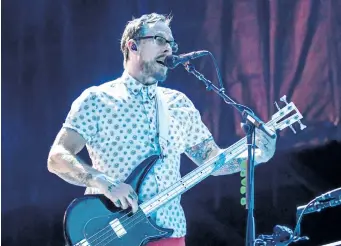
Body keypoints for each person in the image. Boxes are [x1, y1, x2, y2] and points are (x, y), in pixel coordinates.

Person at [47, 13, 277, 246]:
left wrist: (258, 156)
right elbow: (57, 157)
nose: (169, 49)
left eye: (172, 43)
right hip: (112, 234)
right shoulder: (97, 100)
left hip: (169, 233)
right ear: (132, 45)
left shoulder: (178, 104)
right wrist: (104, 182)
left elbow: (212, 161)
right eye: (160, 40)